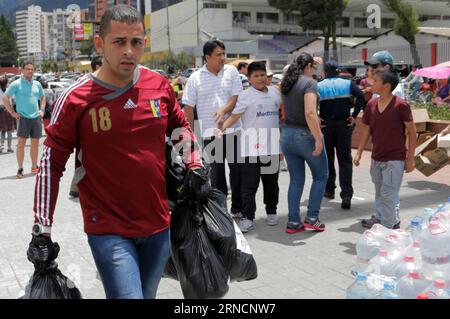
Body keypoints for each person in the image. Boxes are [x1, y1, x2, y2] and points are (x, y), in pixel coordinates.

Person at [26, 5, 205, 299]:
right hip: (107, 228)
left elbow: (181, 128)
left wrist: (195, 163)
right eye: (119, 42)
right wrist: (41, 229)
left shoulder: (158, 85)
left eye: (136, 42)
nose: (129, 52)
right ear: (100, 44)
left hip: (159, 224)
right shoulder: (76, 98)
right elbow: (50, 163)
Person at [215, 61, 281, 233]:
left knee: (271, 184)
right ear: (249, 79)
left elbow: (282, 117)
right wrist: (221, 129)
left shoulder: (275, 93)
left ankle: (272, 212)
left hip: (272, 148)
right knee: (249, 186)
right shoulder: (246, 96)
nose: (260, 78)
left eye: (262, 75)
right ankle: (248, 217)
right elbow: (235, 116)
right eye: (256, 76)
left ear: (267, 76)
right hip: (250, 150)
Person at [183, 39, 244, 218]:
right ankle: (221, 211)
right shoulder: (195, 78)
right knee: (217, 175)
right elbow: (188, 107)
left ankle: (238, 208)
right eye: (218, 55)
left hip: (233, 130)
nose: (223, 58)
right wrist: (190, 135)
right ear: (207, 57)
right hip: (210, 134)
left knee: (238, 171)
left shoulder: (231, 71)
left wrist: (224, 110)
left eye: (224, 54)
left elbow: (236, 96)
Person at [354, 69, 416, 229]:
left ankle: (387, 231)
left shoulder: (401, 105)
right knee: (380, 193)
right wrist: (359, 152)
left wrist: (410, 159)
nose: (371, 84)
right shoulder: (371, 105)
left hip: (395, 159)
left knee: (388, 195)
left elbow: (412, 132)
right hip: (377, 158)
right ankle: (388, 221)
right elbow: (366, 130)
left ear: (387, 86)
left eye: (375, 82)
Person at [280, 52, 328, 234]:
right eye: (313, 68)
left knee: (296, 179)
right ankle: (312, 218)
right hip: (304, 135)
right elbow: (310, 113)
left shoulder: (286, 82)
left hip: (287, 134)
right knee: (321, 176)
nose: (314, 71)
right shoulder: (309, 83)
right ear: (308, 66)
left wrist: (312, 61)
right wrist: (318, 137)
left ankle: (293, 221)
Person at [317, 60, 365, 210]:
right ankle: (346, 195)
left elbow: (310, 104)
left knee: (328, 159)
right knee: (345, 161)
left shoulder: (319, 85)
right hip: (344, 126)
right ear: (338, 71)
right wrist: (354, 115)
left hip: (326, 127)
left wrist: (318, 118)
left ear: (325, 72)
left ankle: (329, 190)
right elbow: (361, 97)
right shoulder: (347, 83)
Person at [2, 61, 46, 178]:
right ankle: (20, 168)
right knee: (21, 144)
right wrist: (12, 112)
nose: (30, 71)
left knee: (35, 144)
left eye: (32, 69)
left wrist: (42, 110)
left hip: (36, 117)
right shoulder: (16, 84)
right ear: (22, 70)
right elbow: (5, 98)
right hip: (23, 118)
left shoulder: (37, 84)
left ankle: (34, 166)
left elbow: (42, 97)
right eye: (27, 69)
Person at [69, 56, 103, 199]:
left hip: (102, 128)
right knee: (84, 160)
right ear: (96, 67)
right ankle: (77, 187)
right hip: (88, 130)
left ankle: (76, 187)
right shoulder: (85, 85)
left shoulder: (107, 83)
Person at [0, 76, 15, 153]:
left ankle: (1, 145)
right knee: (9, 130)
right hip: (8, 110)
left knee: (2, 130)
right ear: (6, 83)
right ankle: (9, 147)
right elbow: (13, 100)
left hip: (0, 110)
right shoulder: (9, 90)